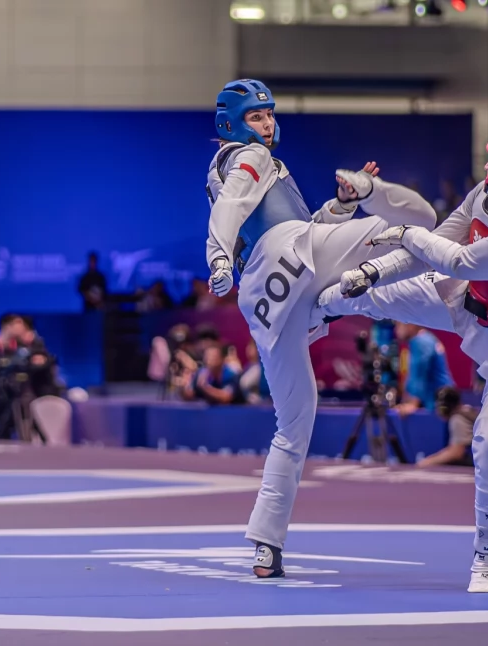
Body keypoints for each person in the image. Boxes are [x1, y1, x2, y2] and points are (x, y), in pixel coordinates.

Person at [317, 120, 488, 592]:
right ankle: (312, 315)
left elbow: (457, 258)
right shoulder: (487, 192)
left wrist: (402, 233)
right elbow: (440, 243)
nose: (486, 167)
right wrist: (375, 270)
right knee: (363, 293)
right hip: (469, 301)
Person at [203, 79, 439, 579]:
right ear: (231, 123)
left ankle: (266, 545)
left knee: (293, 423)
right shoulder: (250, 159)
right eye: (255, 117)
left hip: (268, 295)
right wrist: (217, 254)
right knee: (419, 225)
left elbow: (296, 226)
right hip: (289, 261)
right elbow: (236, 209)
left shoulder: (237, 165)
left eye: (268, 116)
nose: (266, 125)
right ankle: (345, 295)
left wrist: (341, 207)